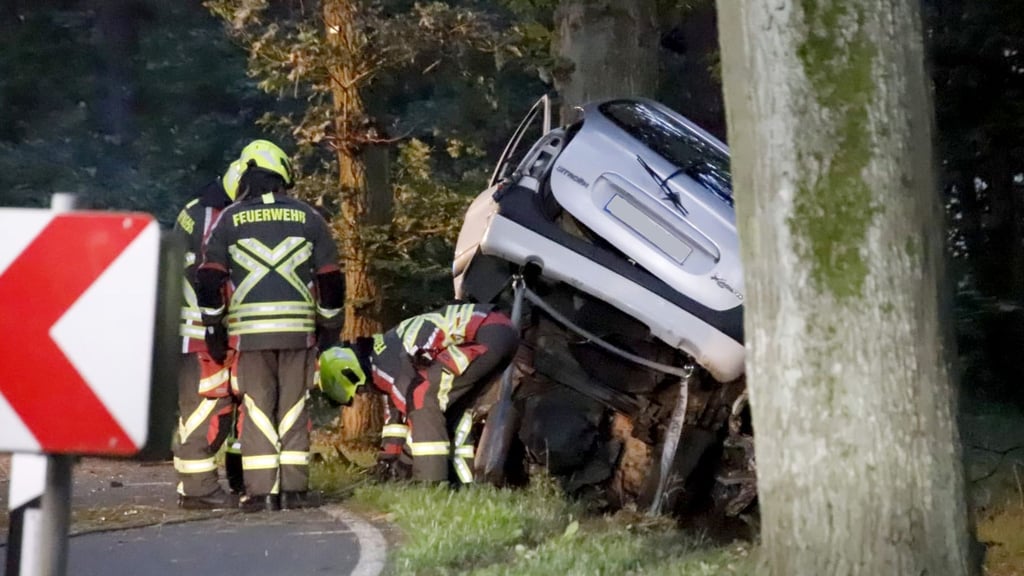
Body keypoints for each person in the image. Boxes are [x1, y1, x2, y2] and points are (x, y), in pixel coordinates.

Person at [197, 139, 344, 512]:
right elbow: (330, 280)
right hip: (298, 333)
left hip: (249, 335)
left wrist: (214, 330)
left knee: (258, 407)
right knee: (293, 406)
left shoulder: (229, 219)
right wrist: (330, 329)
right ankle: (294, 491)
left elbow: (209, 280)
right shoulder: (310, 217)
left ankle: (261, 491)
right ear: (281, 176)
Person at [318, 303, 518, 484]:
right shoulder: (385, 353)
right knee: (455, 412)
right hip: (500, 332)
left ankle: (431, 484)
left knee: (424, 397)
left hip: (485, 333)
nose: (364, 392)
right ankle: (464, 484)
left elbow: (415, 409)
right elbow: (396, 416)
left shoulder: (386, 365)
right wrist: (387, 461)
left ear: (350, 373)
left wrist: (404, 462)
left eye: (359, 389)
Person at [172, 159, 247, 510]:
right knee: (211, 410)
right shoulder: (213, 219)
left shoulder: (195, 209)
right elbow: (212, 277)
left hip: (188, 330)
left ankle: (192, 486)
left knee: (197, 411)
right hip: (201, 334)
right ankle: (199, 489)